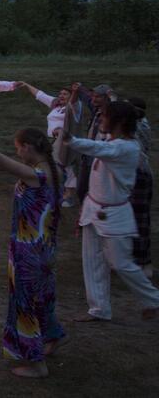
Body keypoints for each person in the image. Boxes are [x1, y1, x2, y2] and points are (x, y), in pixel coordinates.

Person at [63, 101, 159, 323]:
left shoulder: (127, 148)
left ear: (120, 122)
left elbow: (100, 149)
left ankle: (153, 299)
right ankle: (99, 309)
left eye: (105, 117)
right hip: (93, 208)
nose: (101, 121)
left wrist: (71, 139)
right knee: (92, 261)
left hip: (114, 215)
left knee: (121, 263)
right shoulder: (111, 141)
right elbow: (100, 145)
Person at [0, 129, 66, 378]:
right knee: (41, 297)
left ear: (29, 147)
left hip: (27, 250)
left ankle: (36, 363)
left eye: (19, 147)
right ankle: (52, 337)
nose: (17, 152)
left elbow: (7, 165)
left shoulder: (37, 176)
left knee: (25, 303)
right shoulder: (56, 169)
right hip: (45, 247)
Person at [19, 82, 84, 207]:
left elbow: (74, 103)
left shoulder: (75, 108)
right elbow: (40, 95)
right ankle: (56, 191)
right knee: (52, 164)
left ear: (72, 96)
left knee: (68, 165)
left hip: (66, 141)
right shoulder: (56, 105)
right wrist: (26, 85)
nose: (61, 96)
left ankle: (69, 196)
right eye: (60, 93)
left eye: (65, 94)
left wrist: (75, 92)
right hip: (52, 140)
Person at [73, 84, 115, 202]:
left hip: (101, 157)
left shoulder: (113, 114)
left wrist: (112, 96)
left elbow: (115, 106)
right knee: (81, 189)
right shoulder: (96, 109)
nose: (94, 99)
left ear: (106, 98)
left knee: (98, 188)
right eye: (93, 96)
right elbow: (87, 97)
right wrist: (80, 87)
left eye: (98, 97)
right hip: (88, 155)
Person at [128, 97, 152, 277]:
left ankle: (144, 261)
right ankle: (131, 257)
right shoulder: (137, 123)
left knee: (140, 220)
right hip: (130, 175)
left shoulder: (140, 126)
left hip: (140, 175)